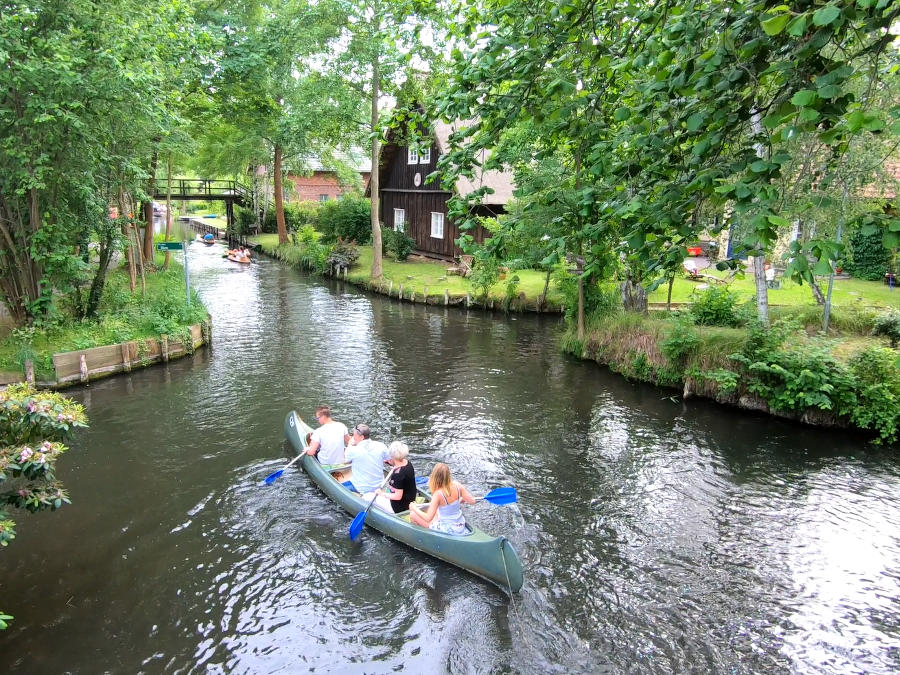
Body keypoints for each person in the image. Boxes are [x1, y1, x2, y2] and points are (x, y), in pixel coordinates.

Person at [409, 463, 475, 535]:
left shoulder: (438, 494)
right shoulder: (457, 485)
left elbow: (428, 518)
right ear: (448, 475)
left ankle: (423, 536)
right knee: (436, 511)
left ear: (435, 477)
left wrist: (414, 508)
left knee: (413, 514)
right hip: (460, 525)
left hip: (447, 529)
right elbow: (472, 501)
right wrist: (461, 499)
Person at [344, 423, 390, 496]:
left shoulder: (353, 450)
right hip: (379, 486)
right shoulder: (381, 445)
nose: (353, 437)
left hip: (361, 488)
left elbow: (345, 461)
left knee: (335, 486)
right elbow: (389, 460)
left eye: (354, 435)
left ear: (362, 437)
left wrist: (349, 445)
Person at [373, 442, 416, 514]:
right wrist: (390, 463)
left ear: (392, 456)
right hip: (410, 500)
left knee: (371, 498)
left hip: (400, 507)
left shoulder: (398, 474)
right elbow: (398, 466)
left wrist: (381, 494)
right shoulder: (408, 463)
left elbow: (397, 496)